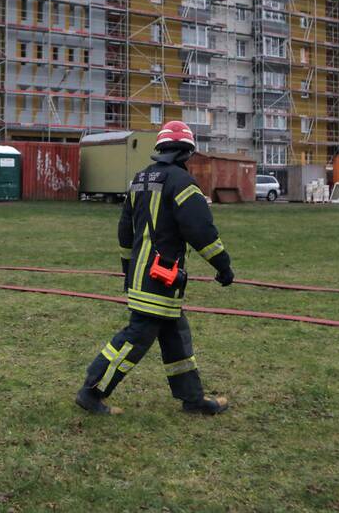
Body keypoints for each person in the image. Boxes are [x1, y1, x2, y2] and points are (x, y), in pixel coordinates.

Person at [76, 121, 235, 416]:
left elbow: (125, 231)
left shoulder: (138, 180)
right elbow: (201, 230)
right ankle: (91, 392)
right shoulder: (182, 183)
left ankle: (193, 400)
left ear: (160, 148)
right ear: (187, 151)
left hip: (142, 275)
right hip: (160, 279)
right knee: (136, 337)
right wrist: (223, 266)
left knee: (176, 336)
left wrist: (128, 268)